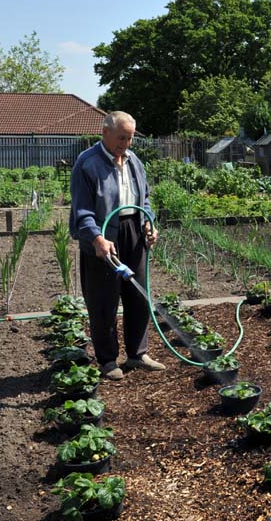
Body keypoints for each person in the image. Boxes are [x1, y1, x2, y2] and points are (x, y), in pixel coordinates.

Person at [69, 111, 165, 380]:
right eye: (122, 137)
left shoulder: (134, 161)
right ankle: (108, 360)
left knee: (137, 295)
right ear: (105, 133)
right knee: (103, 301)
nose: (127, 143)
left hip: (133, 231)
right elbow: (82, 211)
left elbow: (144, 199)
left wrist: (149, 222)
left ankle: (137, 354)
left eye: (131, 138)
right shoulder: (87, 164)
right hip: (101, 236)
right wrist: (97, 239)